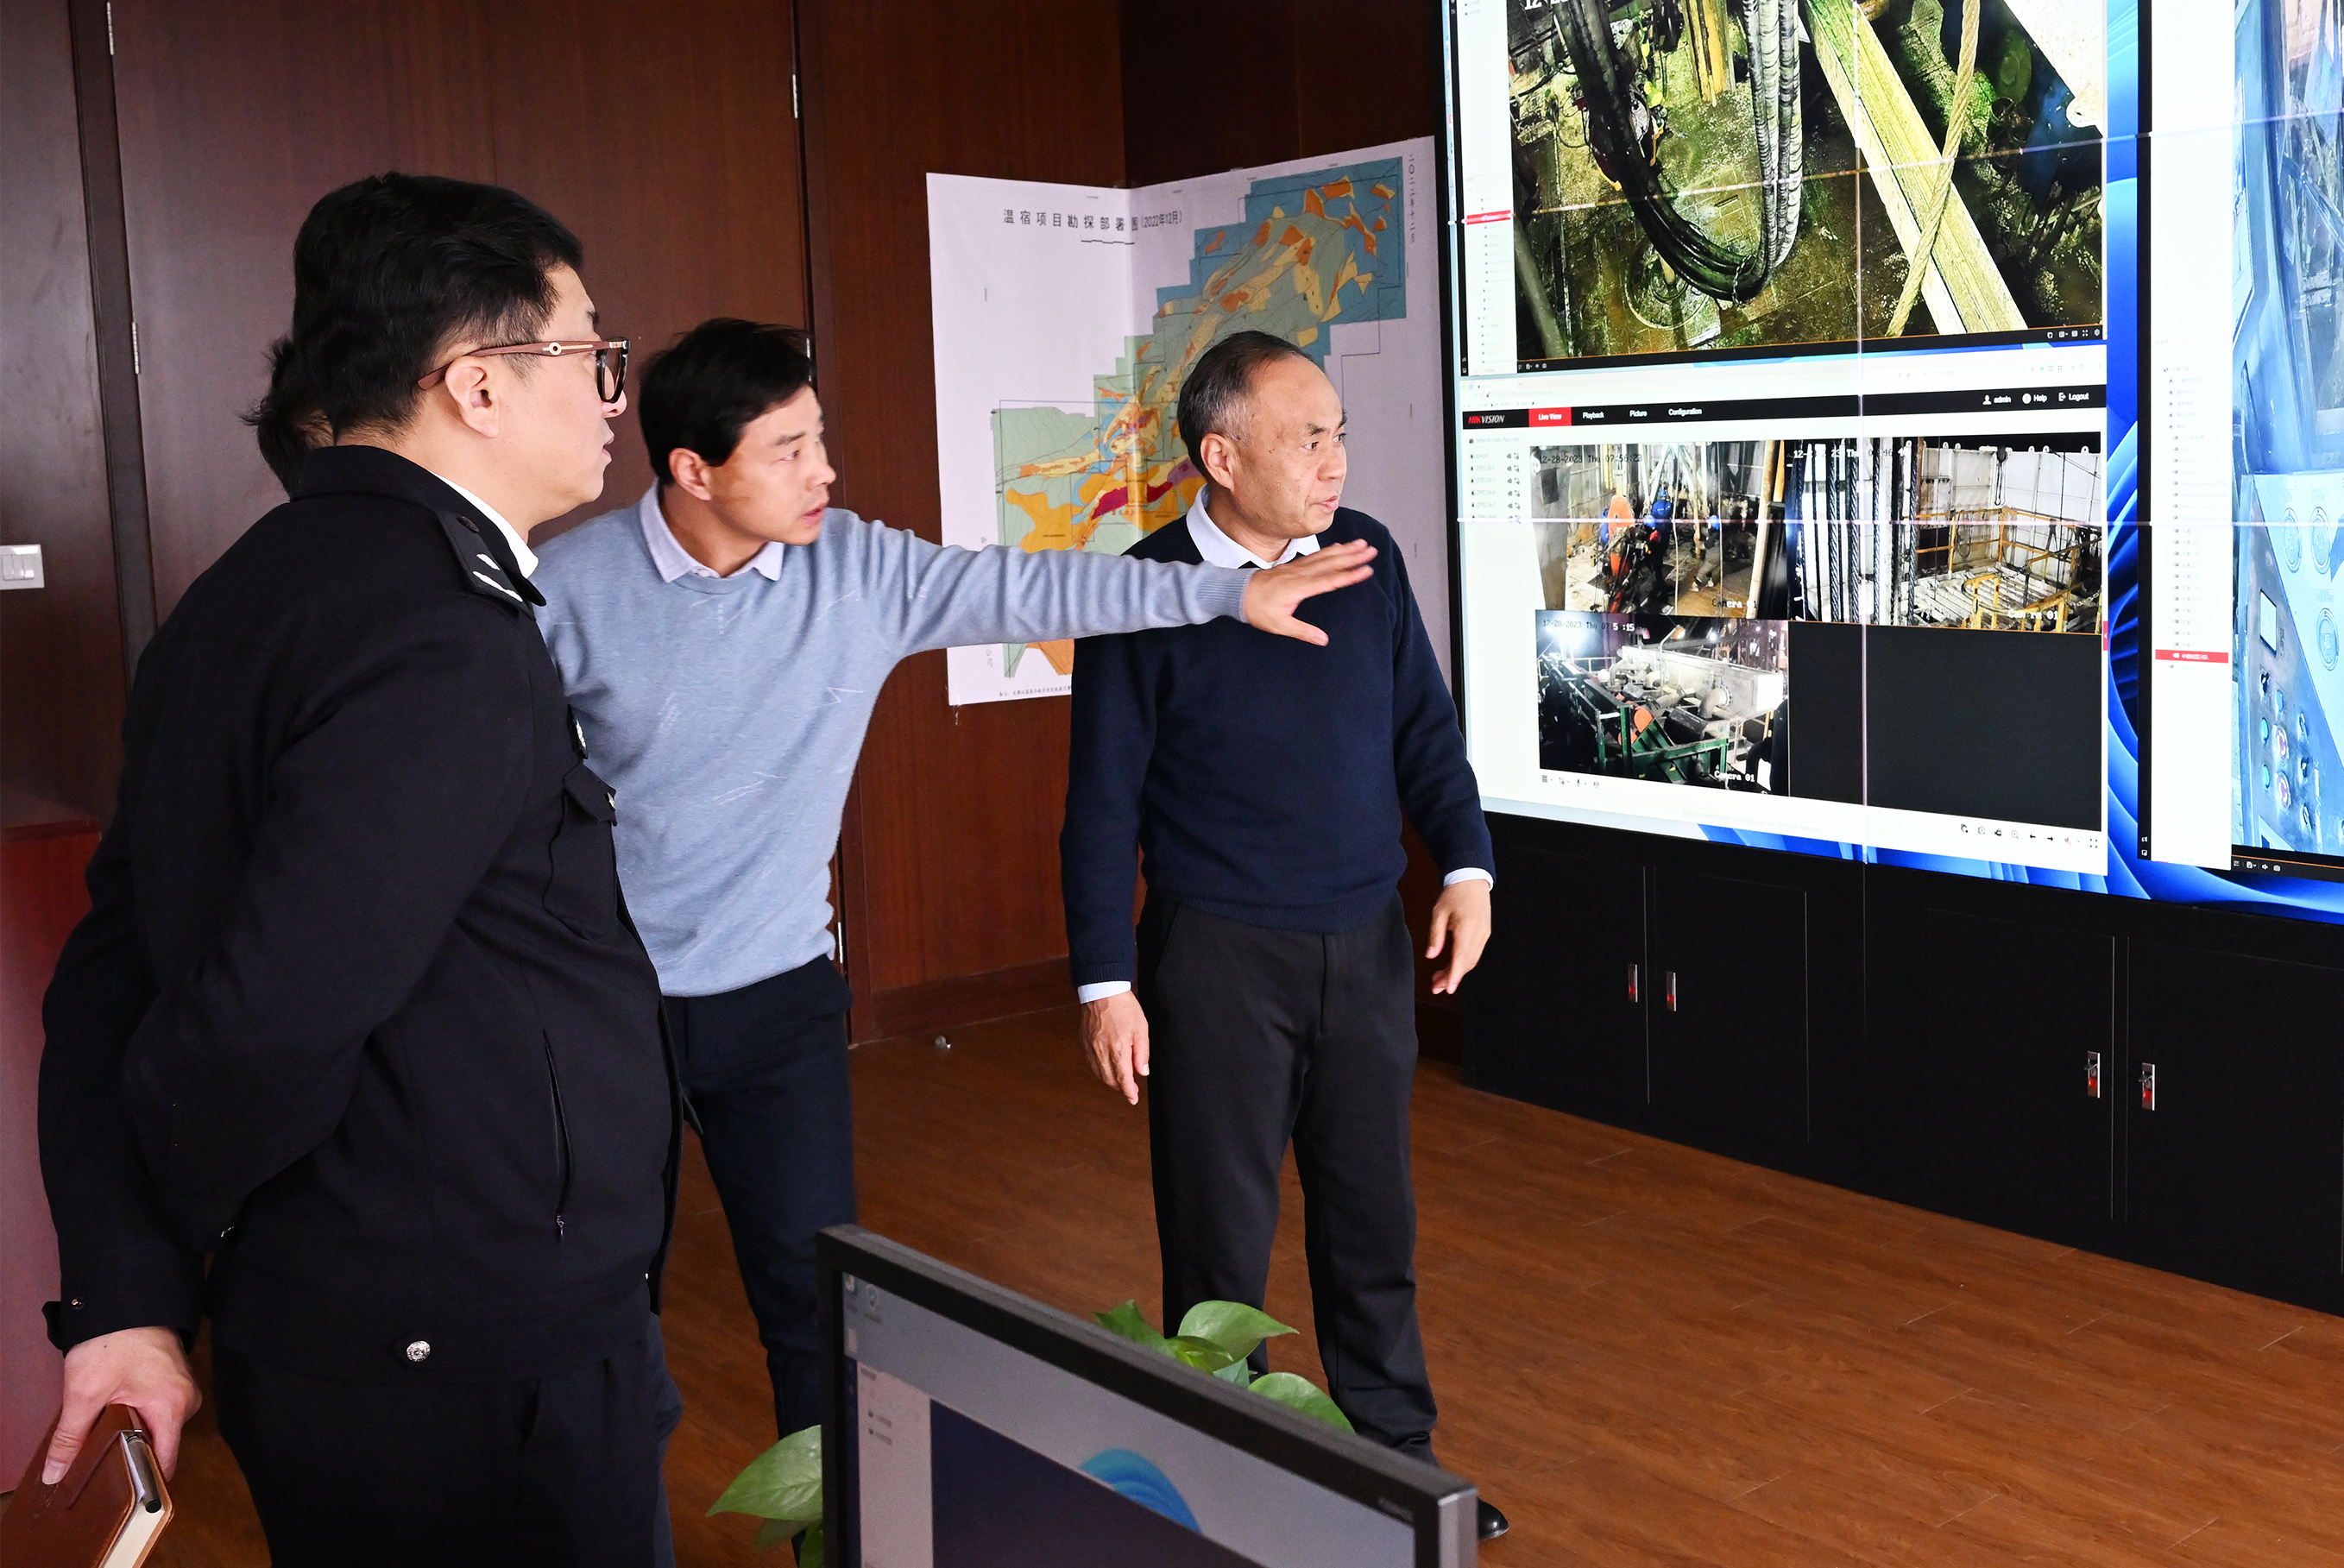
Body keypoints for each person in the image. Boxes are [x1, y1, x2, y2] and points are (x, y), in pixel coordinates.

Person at [528, 318, 1376, 1446]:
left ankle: (827, 1526)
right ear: (694, 469)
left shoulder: (857, 570)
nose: (824, 471)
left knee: (814, 1302)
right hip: (602, 999)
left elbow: (1035, 588)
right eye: (789, 449)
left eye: (819, 438)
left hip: (777, 991)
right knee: (598, 1302)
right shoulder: (563, 590)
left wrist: (1228, 597)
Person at [39, 173, 678, 1567]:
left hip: (357, 1328)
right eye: (593, 353)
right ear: (480, 385)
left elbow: (110, 973)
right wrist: (185, 1237)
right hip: (462, 1358)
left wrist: (129, 1280)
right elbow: (265, 1019)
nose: (613, 396)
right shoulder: (439, 627)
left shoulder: (243, 595)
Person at [1059, 330, 1509, 1540]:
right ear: (1222, 456)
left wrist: (1466, 864)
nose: (1335, 461)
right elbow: (1100, 805)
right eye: (1309, 439)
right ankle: (1228, 1486)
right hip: (1216, 958)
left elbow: (1424, 729)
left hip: (1364, 943)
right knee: (1219, 1242)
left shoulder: (1369, 558)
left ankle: (1398, 1467)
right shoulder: (1143, 592)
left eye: (1339, 434)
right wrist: (1106, 983)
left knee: (1373, 1223)